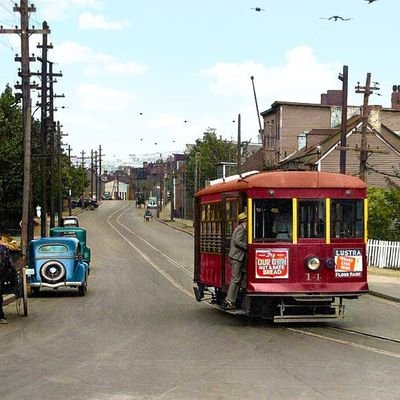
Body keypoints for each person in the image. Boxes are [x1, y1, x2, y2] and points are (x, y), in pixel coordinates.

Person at [223, 211, 248, 310]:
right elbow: (237, 241)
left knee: (240, 278)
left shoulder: (243, 229)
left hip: (239, 257)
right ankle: (229, 300)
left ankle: (235, 300)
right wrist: (247, 246)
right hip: (236, 257)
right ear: (245, 221)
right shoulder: (241, 229)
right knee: (236, 278)